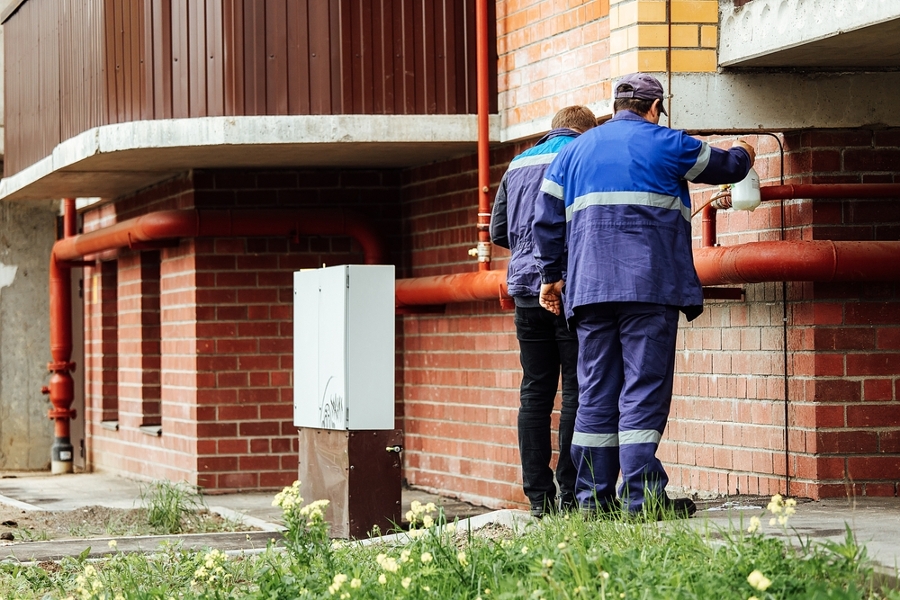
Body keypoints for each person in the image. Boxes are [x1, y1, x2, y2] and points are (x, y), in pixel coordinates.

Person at [533, 73, 756, 518]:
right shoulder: (668, 143)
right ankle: (643, 500)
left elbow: (546, 220)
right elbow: (728, 167)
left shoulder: (572, 152)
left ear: (616, 106)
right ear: (654, 108)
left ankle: (593, 502)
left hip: (590, 292)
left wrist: (551, 276)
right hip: (649, 288)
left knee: (595, 392)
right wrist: (746, 152)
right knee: (643, 389)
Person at [490, 105, 598, 518]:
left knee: (535, 392)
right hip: (569, 287)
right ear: (585, 131)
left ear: (553, 129)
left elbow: (500, 231)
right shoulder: (580, 157)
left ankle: (538, 498)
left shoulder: (516, 163)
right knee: (576, 390)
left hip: (523, 291)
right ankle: (571, 493)